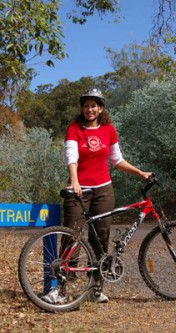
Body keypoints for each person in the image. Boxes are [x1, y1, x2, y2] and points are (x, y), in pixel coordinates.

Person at [42, 88, 151, 304]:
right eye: (86, 105)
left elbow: (117, 160)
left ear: (100, 108)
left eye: (94, 105)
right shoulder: (74, 128)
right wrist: (74, 180)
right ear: (82, 109)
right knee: (72, 235)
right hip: (79, 189)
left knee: (100, 238)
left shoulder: (108, 130)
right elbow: (71, 155)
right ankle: (61, 290)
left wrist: (140, 172)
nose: (90, 109)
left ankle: (95, 288)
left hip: (103, 189)